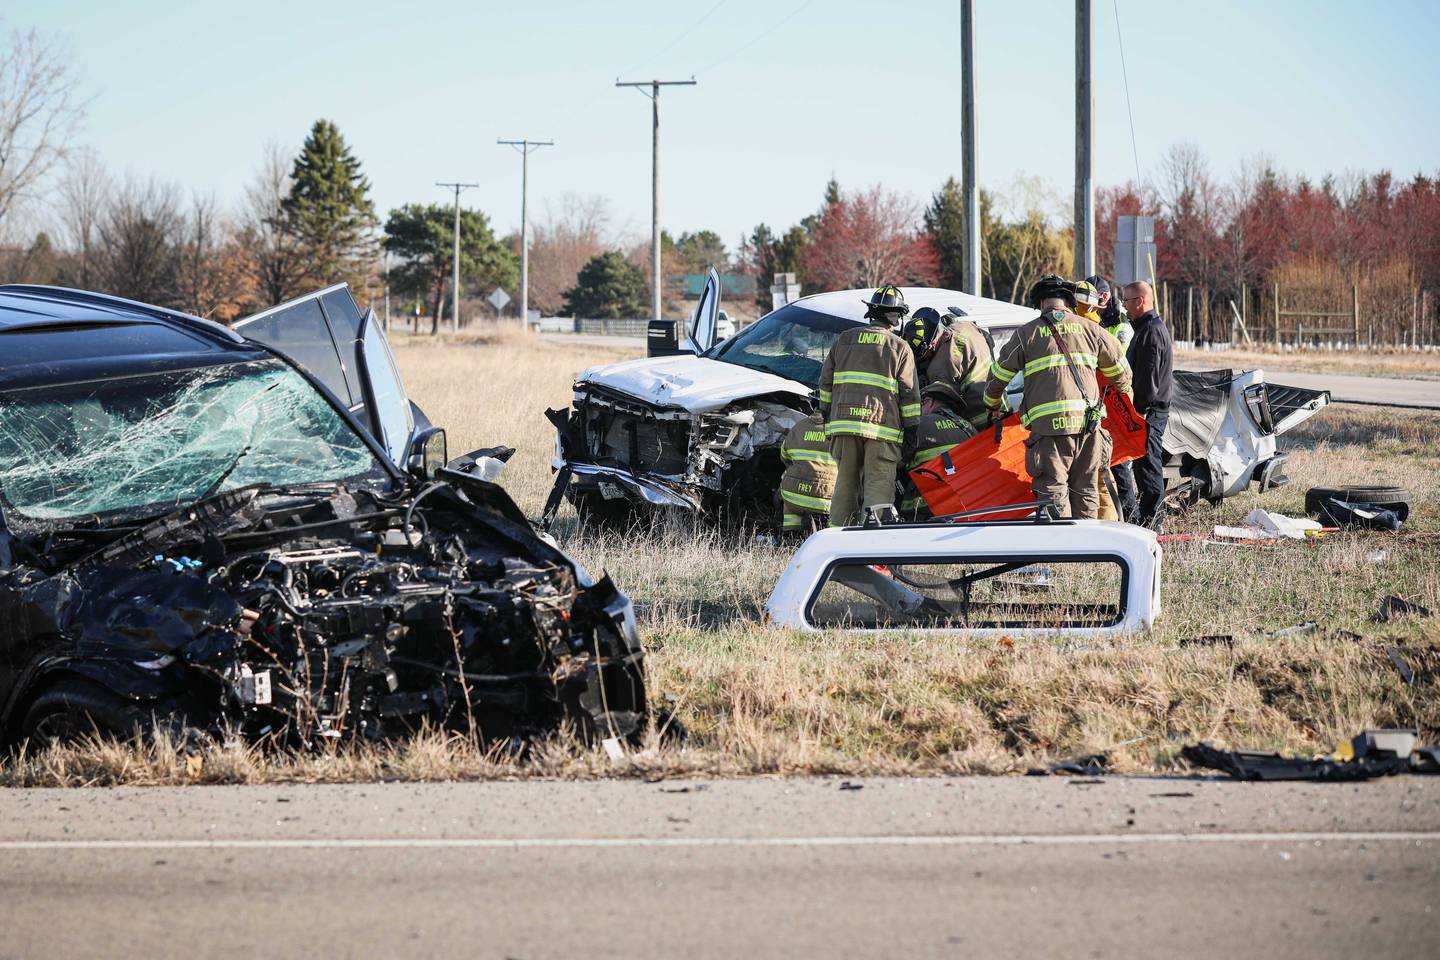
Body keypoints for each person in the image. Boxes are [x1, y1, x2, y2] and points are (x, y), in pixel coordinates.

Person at [981, 275, 1133, 519]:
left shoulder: (1026, 334)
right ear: (1069, 302)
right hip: (1088, 426)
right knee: (1086, 488)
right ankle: (1088, 550)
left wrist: (992, 404)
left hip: (1049, 431)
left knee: (1053, 489)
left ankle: (1062, 549)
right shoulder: (1092, 329)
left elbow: (998, 376)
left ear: (1041, 304)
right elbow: (1121, 374)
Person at [818, 284, 921, 525]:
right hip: (881, 431)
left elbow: (825, 384)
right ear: (895, 315)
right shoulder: (900, 347)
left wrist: (826, 415)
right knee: (878, 486)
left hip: (843, 426)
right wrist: (912, 431)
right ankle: (872, 545)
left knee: (845, 485)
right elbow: (909, 396)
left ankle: (837, 540)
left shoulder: (845, 340)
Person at [1117, 280, 1173, 529]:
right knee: (1142, 466)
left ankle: (1153, 520)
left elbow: (1148, 378)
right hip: (1147, 411)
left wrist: (1136, 412)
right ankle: (1148, 516)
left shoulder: (1151, 331)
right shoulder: (1146, 328)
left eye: (1127, 301)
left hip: (1149, 412)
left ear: (1140, 301)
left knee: (1149, 467)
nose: (1124, 306)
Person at [901, 306, 994, 429]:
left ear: (931, 344)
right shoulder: (964, 326)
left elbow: (942, 404)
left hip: (979, 421)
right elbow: (990, 341)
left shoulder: (940, 367)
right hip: (1000, 406)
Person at [899, 399, 978, 518]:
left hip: (927, 505)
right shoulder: (968, 427)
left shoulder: (919, 425)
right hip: (968, 499)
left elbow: (898, 461)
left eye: (921, 405)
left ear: (930, 402)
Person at [777, 411, 836, 537]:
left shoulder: (798, 426)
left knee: (791, 508)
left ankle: (789, 536)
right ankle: (829, 538)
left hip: (792, 494)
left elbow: (784, 456)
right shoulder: (837, 429)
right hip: (825, 497)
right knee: (839, 513)